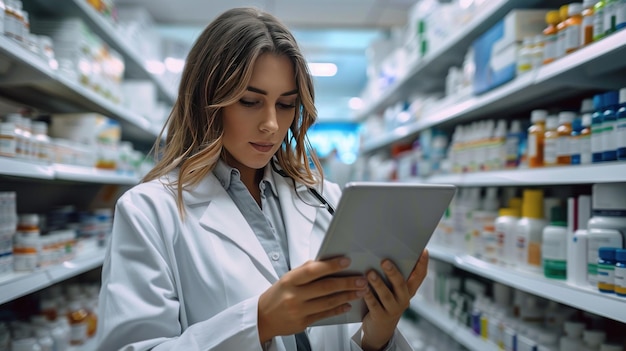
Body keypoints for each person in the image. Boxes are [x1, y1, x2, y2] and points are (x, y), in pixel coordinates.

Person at [96, 7, 429, 351]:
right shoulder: (149, 212)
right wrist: (258, 322)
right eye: (250, 101)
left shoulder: (323, 198)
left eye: (285, 105)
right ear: (206, 100)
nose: (271, 124)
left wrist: (378, 333)